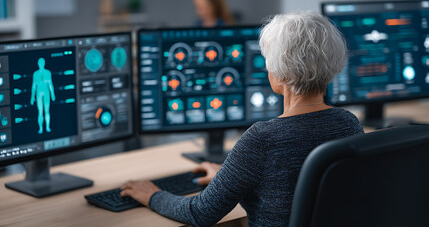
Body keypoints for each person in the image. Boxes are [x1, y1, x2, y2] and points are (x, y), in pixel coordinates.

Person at [121, 12, 364, 226]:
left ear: (280, 74)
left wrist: (151, 194)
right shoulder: (348, 124)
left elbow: (200, 213)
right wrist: (229, 176)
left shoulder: (263, 139)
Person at [30, 58, 56, 134]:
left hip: (46, 93)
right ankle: (41, 128)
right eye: (40, 63)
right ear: (38, 64)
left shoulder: (48, 73)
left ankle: (47, 127)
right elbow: (33, 86)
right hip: (38, 94)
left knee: (47, 111)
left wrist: (52, 94)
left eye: (42, 63)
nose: (41, 64)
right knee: (40, 112)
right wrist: (32, 97)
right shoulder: (35, 74)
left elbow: (50, 85)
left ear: (44, 63)